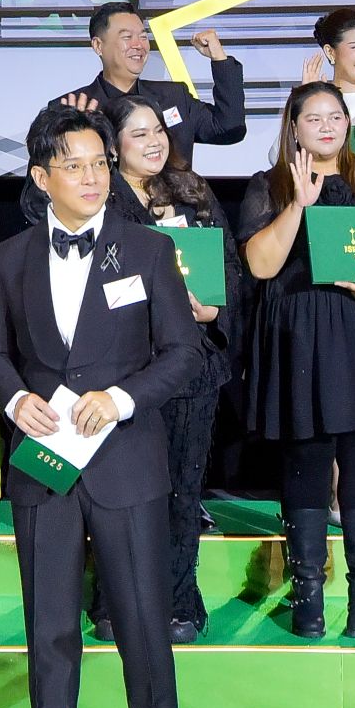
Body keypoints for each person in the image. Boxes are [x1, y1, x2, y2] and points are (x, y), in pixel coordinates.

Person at [0, 103, 204, 708]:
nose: (90, 176)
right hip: (43, 466)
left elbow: (184, 352)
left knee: (144, 634)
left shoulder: (148, 247)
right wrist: (16, 399)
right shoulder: (11, 256)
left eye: (99, 163)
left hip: (127, 465)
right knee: (48, 633)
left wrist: (122, 397)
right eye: (72, 164)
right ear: (40, 176)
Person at [238, 80, 355, 641]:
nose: (327, 126)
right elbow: (261, 265)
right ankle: (308, 601)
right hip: (300, 332)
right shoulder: (269, 184)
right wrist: (298, 204)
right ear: (293, 128)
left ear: (348, 123)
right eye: (313, 118)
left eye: (336, 116)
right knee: (306, 462)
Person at [108, 98, 240, 642]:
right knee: (121, 491)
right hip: (120, 367)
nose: (154, 141)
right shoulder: (99, 197)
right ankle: (115, 599)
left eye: (158, 130)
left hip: (189, 366)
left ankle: (179, 599)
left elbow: (228, 264)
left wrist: (212, 309)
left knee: (183, 491)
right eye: (139, 133)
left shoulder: (192, 190)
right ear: (114, 144)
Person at [53, 2, 244, 173]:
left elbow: (229, 128)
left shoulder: (174, 97)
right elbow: (46, 183)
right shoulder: (71, 109)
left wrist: (219, 59)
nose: (138, 45)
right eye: (127, 37)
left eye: (143, 37)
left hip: (172, 201)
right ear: (98, 45)